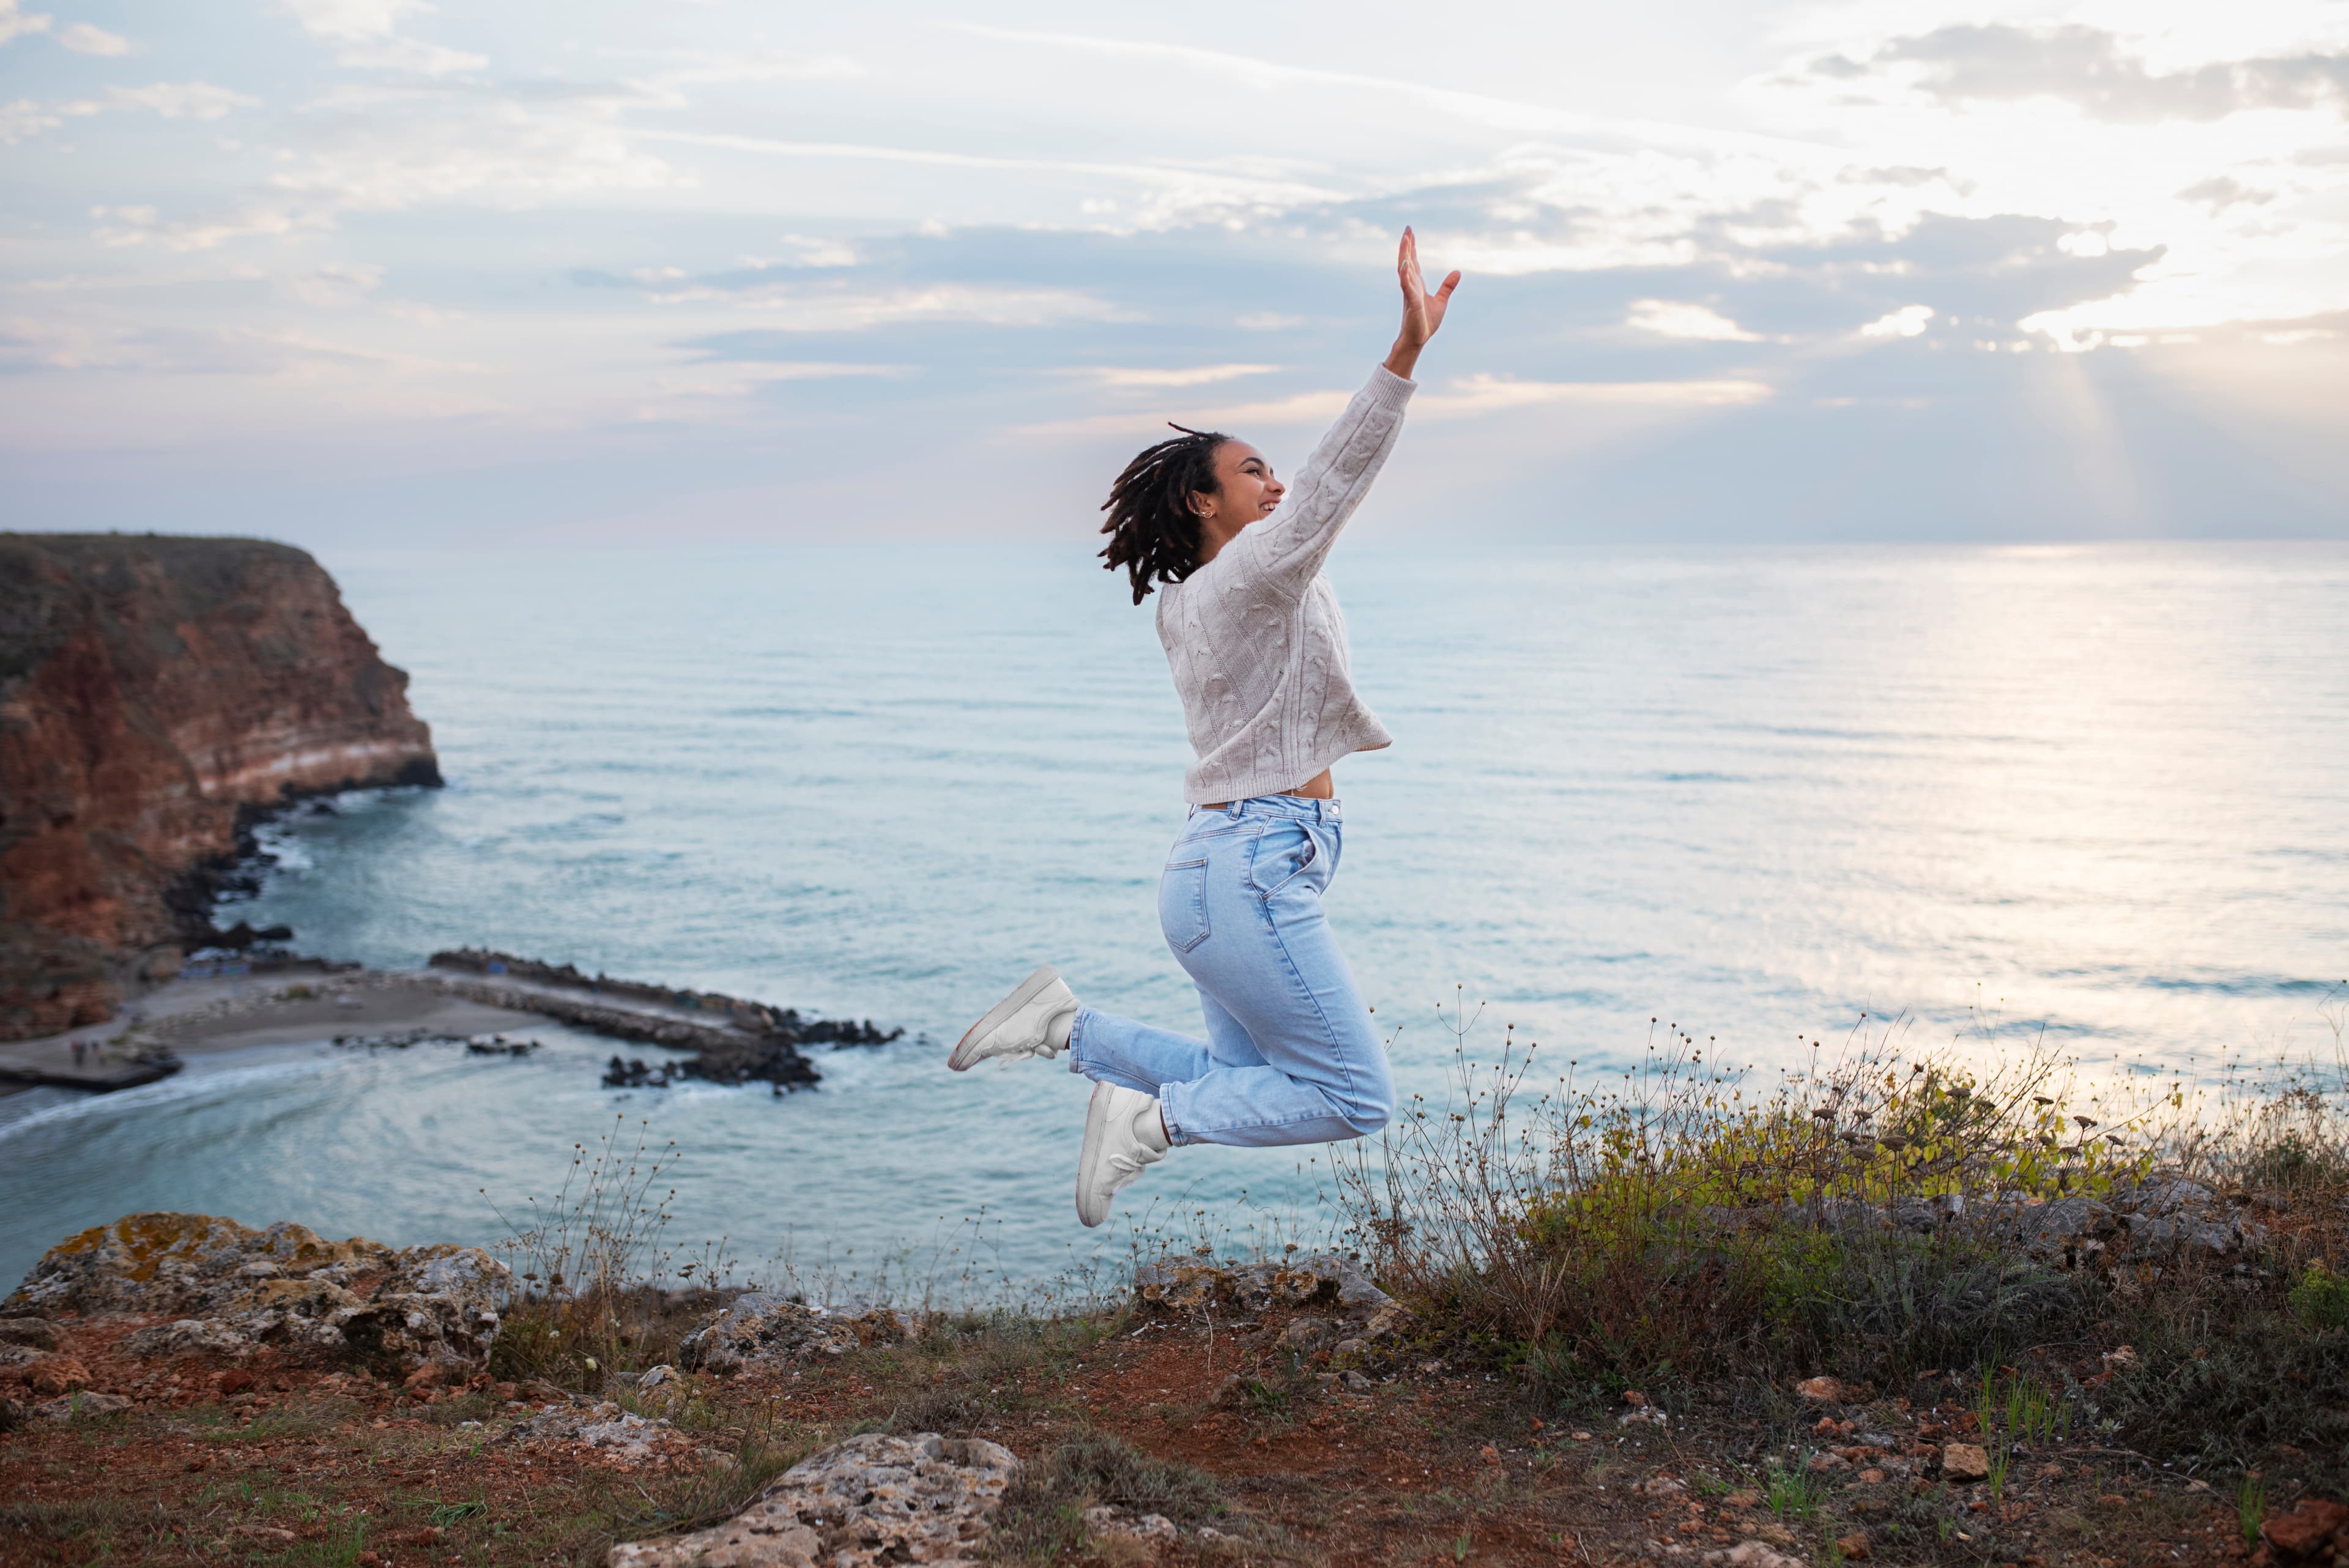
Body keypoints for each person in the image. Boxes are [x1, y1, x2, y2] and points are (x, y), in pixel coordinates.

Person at [950, 229, 1462, 1227]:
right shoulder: (1251, 577)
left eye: (1275, 475)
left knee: (1249, 1076)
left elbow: (1309, 513)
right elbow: (1334, 483)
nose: (1277, 489)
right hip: (1256, 865)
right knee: (1354, 1099)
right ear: (1203, 501)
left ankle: (1071, 1027)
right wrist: (1404, 355)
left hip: (1218, 872)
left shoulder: (1203, 598)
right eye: (1256, 473)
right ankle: (1148, 1124)